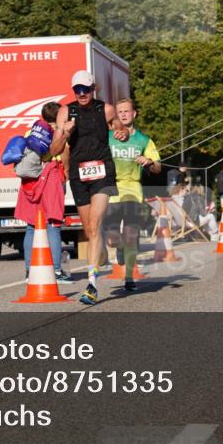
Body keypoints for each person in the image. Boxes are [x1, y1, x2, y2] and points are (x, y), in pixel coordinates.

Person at [53, 70, 127, 305]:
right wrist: (64, 133)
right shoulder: (65, 111)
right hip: (78, 174)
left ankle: (92, 284)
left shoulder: (105, 109)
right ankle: (103, 252)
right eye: (78, 90)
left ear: (93, 88)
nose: (82, 94)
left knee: (94, 225)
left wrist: (121, 132)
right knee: (90, 230)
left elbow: (119, 127)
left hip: (102, 172)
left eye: (86, 89)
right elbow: (54, 150)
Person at [104, 98, 161, 291]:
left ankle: (129, 277)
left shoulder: (144, 140)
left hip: (133, 189)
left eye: (127, 111)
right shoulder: (108, 137)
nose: (123, 114)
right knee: (112, 239)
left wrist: (148, 162)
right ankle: (118, 247)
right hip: (112, 190)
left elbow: (158, 167)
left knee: (130, 235)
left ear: (134, 114)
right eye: (120, 112)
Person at [15, 102, 70, 281]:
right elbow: (64, 153)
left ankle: (29, 271)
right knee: (53, 225)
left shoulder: (31, 132)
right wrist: (67, 173)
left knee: (31, 226)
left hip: (30, 181)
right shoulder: (58, 133)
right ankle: (56, 271)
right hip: (51, 177)